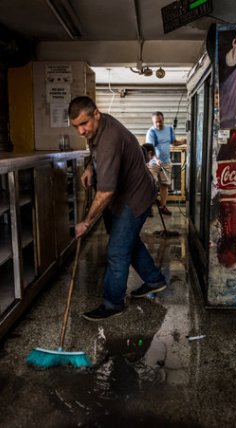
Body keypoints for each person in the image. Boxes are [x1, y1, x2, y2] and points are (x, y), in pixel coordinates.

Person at [69, 96, 167, 321]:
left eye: (84, 124)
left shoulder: (110, 139)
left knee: (117, 251)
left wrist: (86, 222)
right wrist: (89, 169)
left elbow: (105, 192)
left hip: (134, 198)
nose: (81, 131)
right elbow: (94, 152)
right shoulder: (97, 129)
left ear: (96, 114)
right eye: (76, 126)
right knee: (126, 241)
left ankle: (113, 303)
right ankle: (154, 280)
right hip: (123, 195)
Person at [145, 112, 186, 215]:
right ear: (153, 121)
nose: (158, 124)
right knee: (150, 185)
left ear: (163, 119)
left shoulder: (169, 129)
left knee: (165, 185)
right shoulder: (151, 132)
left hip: (166, 162)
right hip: (153, 163)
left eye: (160, 121)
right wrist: (156, 159)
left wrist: (183, 141)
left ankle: (163, 206)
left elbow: (174, 142)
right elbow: (150, 148)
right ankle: (148, 208)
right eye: (156, 122)